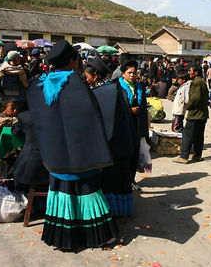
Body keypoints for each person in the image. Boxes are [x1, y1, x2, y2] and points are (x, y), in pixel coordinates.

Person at [26, 40, 119, 250]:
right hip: (80, 154)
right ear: (71, 60)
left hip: (54, 155)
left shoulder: (41, 84)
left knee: (62, 192)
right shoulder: (75, 84)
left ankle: (62, 238)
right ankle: (95, 236)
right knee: (86, 191)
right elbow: (90, 116)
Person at [87, 57, 139, 216]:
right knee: (120, 178)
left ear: (95, 75)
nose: (86, 78)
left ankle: (113, 211)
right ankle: (122, 210)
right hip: (123, 142)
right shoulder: (115, 89)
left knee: (111, 179)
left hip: (113, 144)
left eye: (87, 75)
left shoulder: (100, 93)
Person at [118, 60, 149, 190]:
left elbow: (144, 107)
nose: (132, 75)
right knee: (124, 154)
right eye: (129, 73)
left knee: (135, 154)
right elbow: (116, 107)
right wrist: (129, 110)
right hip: (123, 125)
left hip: (137, 126)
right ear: (123, 74)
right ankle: (123, 180)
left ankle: (132, 179)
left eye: (134, 73)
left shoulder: (139, 87)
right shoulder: (117, 87)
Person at [173, 64, 209, 164]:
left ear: (196, 72)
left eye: (191, 70)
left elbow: (195, 98)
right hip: (203, 114)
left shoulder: (196, 83)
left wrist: (188, 106)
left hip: (195, 114)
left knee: (187, 135)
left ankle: (184, 156)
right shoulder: (203, 82)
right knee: (198, 136)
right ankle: (197, 155)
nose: (189, 73)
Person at [0, 99, 20, 179]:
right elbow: (0, 122)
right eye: (12, 108)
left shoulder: (16, 117)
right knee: (6, 168)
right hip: (6, 150)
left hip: (15, 150)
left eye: (17, 108)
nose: (15, 110)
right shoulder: (2, 117)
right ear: (3, 109)